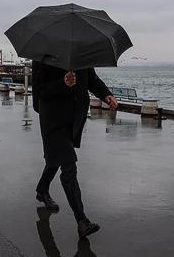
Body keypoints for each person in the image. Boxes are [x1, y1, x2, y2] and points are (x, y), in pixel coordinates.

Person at [32, 61, 118, 238]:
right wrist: (62, 83)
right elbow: (39, 92)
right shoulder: (43, 55)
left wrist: (106, 95)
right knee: (68, 165)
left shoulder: (81, 52)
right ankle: (82, 221)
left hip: (73, 120)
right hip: (53, 120)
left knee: (57, 158)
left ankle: (42, 190)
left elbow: (91, 79)